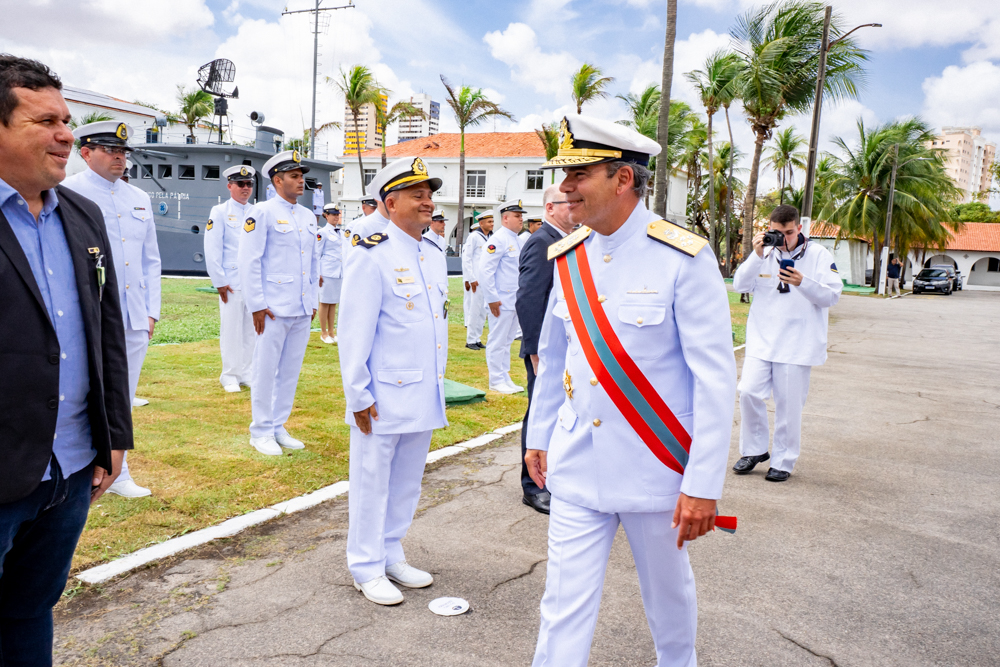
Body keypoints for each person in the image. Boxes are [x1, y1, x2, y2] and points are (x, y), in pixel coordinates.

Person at [525, 115, 737, 666]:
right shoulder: (568, 257)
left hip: (656, 466)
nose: (565, 186)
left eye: (579, 174)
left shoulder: (683, 256)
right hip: (577, 461)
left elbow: (715, 381)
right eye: (565, 175)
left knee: (668, 598)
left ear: (622, 179)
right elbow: (554, 358)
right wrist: (538, 435)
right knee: (562, 604)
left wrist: (703, 483)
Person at [0, 54, 133, 665]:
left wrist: (114, 436)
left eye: (67, 121)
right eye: (45, 121)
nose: (65, 136)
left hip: (72, 467)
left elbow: (106, 334)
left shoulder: (83, 215)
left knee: (31, 611)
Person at [338, 156, 448, 606]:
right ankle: (365, 566)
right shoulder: (371, 254)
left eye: (429, 194)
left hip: (423, 390)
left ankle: (390, 552)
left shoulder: (433, 253)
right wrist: (357, 394)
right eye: (417, 195)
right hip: (381, 395)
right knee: (372, 482)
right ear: (390, 202)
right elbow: (354, 332)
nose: (427, 202)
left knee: (406, 483)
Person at [63, 119, 160, 499]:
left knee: (123, 396)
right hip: (90, 313)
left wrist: (151, 311)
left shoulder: (139, 197)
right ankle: (79, 469)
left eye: (123, 152)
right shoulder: (67, 191)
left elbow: (150, 259)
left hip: (133, 313)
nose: (120, 157)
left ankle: (119, 473)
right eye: (110, 150)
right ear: (86, 153)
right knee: (81, 394)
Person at [731, 204, 842, 481]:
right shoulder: (765, 253)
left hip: (797, 344)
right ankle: (754, 450)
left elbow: (832, 296)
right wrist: (757, 255)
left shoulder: (818, 255)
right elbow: (740, 285)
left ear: (799, 228)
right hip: (762, 341)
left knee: (788, 407)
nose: (783, 238)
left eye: (789, 232)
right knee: (748, 392)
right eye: (777, 232)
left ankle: (783, 460)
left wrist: (803, 282)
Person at [238, 150, 319, 456]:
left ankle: (277, 425)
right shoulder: (261, 212)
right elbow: (249, 260)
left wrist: (312, 301)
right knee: (264, 370)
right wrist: (257, 305)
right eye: (294, 176)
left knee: (289, 372)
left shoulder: (308, 216)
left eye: (301, 176)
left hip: (300, 307)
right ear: (277, 180)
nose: (300, 182)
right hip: (272, 308)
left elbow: (313, 263)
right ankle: (260, 430)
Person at [514, 185, 573, 515]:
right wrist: (535, 350)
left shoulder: (567, 240)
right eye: (567, 202)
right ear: (550, 207)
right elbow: (529, 298)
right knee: (539, 412)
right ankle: (533, 487)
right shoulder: (542, 241)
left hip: (563, 346)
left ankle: (553, 475)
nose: (574, 207)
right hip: (543, 348)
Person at [204, 165, 257, 392]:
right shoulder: (220, 212)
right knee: (231, 330)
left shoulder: (257, 211)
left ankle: (247, 372)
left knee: (252, 330)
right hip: (231, 282)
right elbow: (212, 248)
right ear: (229, 186)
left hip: (252, 282)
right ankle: (230, 375)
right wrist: (219, 281)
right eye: (240, 184)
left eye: (249, 184)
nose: (245, 188)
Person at [479, 200, 526, 393]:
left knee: (507, 342)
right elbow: (485, 271)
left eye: (521, 216)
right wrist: (491, 298)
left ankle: (504, 376)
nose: (521, 219)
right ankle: (496, 380)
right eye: (517, 216)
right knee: (497, 341)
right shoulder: (497, 240)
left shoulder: (517, 240)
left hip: (514, 299)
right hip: (500, 301)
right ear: (505, 218)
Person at [461, 213, 492, 350]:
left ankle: (477, 337)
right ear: (481, 223)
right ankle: (470, 340)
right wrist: (471, 278)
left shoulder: (490, 237)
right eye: (489, 221)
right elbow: (466, 258)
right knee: (474, 310)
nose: (492, 224)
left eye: (492, 221)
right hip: (476, 280)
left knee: (482, 311)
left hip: (485, 280)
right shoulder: (474, 237)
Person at [317, 203, 343, 344]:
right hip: (326, 271)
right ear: (326, 216)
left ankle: (332, 332)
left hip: (338, 271)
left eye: (337, 214)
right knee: (325, 302)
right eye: (333, 215)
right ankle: (324, 332)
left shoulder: (340, 232)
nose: (336, 217)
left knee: (333, 303)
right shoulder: (322, 233)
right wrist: (318, 273)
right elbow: (317, 253)